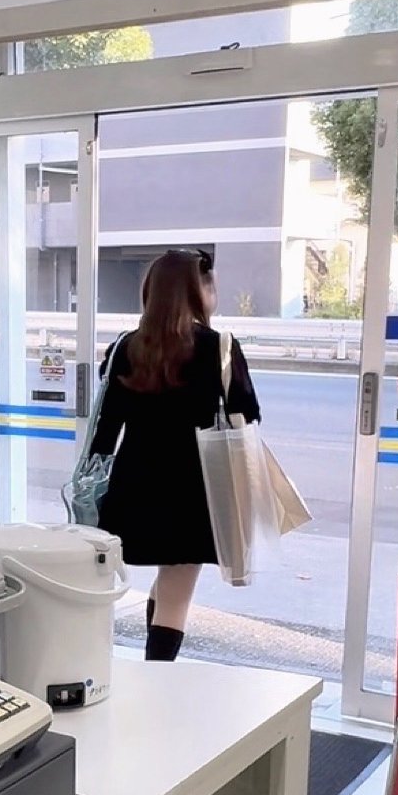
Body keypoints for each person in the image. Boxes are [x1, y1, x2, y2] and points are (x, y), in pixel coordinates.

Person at [88, 249, 260, 661]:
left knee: (167, 582)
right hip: (194, 489)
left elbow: (106, 428)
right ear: (199, 293)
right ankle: (157, 678)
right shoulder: (218, 347)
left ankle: (151, 671)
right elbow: (248, 414)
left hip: (135, 484)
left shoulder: (125, 347)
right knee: (177, 592)